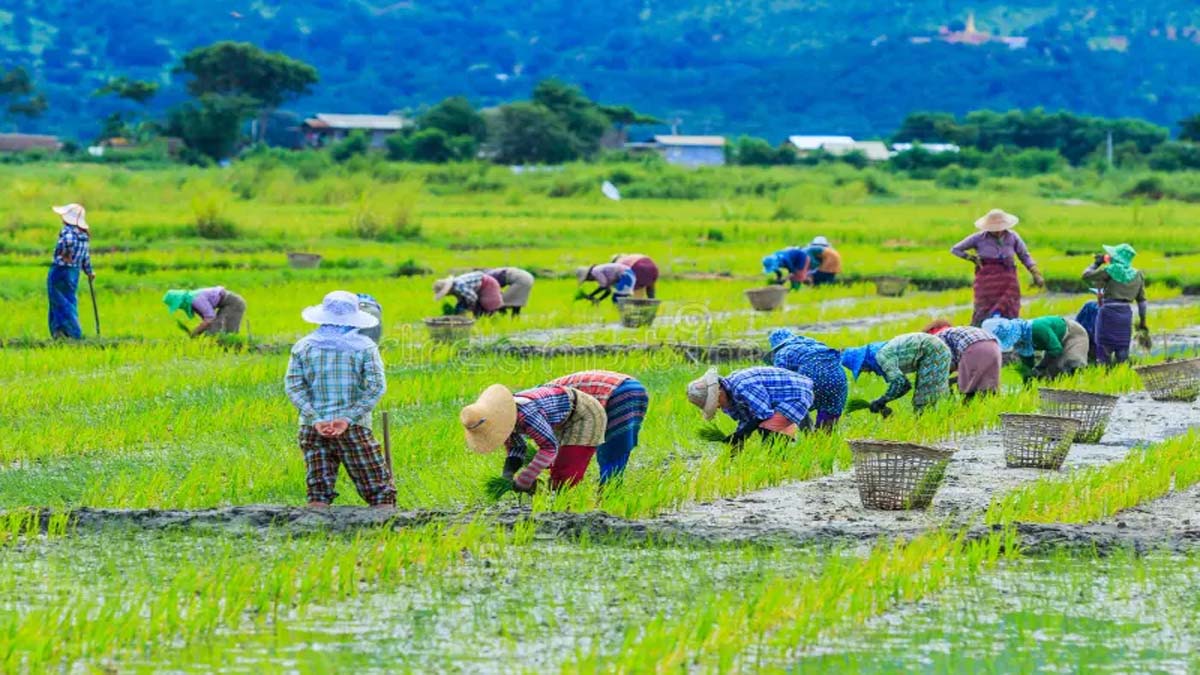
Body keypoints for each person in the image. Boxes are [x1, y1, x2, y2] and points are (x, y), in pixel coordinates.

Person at [284, 291, 394, 509]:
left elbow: (294, 386)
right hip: (354, 428)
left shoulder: (303, 346)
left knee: (318, 492)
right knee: (378, 490)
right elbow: (376, 386)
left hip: (312, 428)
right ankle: (386, 534)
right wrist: (347, 417)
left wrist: (316, 417)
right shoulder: (365, 347)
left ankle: (314, 536)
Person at [461, 383, 606, 493]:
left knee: (565, 475)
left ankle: (566, 510)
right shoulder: (501, 420)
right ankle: (552, 502)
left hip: (584, 413)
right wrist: (508, 474)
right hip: (560, 418)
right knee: (554, 467)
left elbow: (549, 448)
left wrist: (525, 479)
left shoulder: (526, 414)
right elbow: (516, 448)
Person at [547, 370, 648, 484]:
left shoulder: (536, 404)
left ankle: (608, 493)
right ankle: (611, 490)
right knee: (620, 445)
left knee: (611, 448)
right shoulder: (542, 394)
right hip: (636, 388)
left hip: (616, 392)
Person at [685, 366, 815, 452]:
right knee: (764, 428)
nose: (718, 407)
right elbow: (746, 419)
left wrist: (742, 434)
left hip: (795, 395)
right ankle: (780, 455)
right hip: (778, 401)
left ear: (719, 391)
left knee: (767, 429)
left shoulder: (743, 386)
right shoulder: (732, 396)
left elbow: (763, 414)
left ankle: (780, 460)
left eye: (715, 403)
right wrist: (736, 443)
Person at [951, 209, 1044, 325]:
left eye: (1000, 228)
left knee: (1009, 307)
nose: (998, 232)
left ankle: (1009, 335)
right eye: (994, 229)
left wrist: (1036, 274)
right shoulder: (978, 238)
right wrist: (972, 258)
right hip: (987, 279)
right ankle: (979, 334)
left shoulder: (1013, 237)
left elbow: (1024, 256)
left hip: (1008, 278)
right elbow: (955, 249)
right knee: (983, 308)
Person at [842, 333, 952, 413]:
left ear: (863, 363)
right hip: (931, 349)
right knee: (923, 399)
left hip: (933, 350)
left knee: (925, 400)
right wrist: (884, 402)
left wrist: (882, 400)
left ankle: (929, 427)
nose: (864, 372)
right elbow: (906, 385)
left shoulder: (881, 356)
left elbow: (901, 383)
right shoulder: (877, 353)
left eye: (861, 369)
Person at [766, 329, 848, 428]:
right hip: (838, 377)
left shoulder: (783, 352)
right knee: (829, 411)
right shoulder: (817, 345)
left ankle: (807, 434)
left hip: (811, 375)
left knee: (797, 402)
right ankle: (823, 439)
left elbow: (781, 381)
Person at [1083, 243, 1147, 365]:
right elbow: (1142, 301)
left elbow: (1086, 275)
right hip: (1125, 315)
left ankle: (1104, 375)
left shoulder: (1111, 269)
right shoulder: (1138, 274)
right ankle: (1121, 376)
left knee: (1103, 352)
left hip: (1108, 313)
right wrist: (1143, 322)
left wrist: (1097, 262)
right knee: (1122, 351)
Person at [982, 315, 1089, 379]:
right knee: (1052, 374)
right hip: (1054, 342)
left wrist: (1040, 367)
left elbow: (1056, 349)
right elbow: (1027, 363)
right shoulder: (1021, 342)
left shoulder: (1037, 329)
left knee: (1070, 363)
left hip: (1073, 334)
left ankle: (1080, 389)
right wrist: (1028, 379)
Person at [923, 319, 1002, 399]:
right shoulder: (957, 331)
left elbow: (946, 363)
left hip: (973, 347)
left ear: (932, 330)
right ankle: (992, 405)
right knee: (989, 384)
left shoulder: (937, 337)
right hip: (994, 346)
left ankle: (969, 408)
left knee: (968, 388)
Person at [47, 203, 93, 339]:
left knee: (58, 301)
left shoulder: (68, 231)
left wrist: (66, 253)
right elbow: (86, 258)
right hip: (74, 273)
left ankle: (72, 333)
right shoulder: (84, 237)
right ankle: (61, 333)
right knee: (69, 299)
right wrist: (89, 272)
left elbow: (67, 240)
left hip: (60, 270)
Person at [162, 287, 247, 336]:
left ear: (181, 300)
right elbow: (207, 320)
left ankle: (233, 352)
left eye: (179, 305)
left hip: (233, 304)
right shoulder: (192, 300)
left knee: (224, 333)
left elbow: (210, 319)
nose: (180, 307)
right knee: (215, 332)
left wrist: (195, 332)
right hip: (226, 305)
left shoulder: (196, 299)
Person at [433, 271, 503, 317]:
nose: (446, 295)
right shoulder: (455, 288)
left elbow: (473, 298)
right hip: (479, 287)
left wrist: (471, 308)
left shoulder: (459, 286)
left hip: (488, 284)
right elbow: (462, 299)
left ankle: (494, 319)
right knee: (461, 307)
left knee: (487, 307)